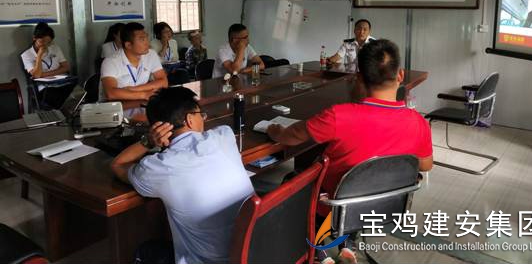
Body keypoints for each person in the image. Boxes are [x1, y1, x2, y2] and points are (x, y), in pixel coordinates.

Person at [267, 39, 433, 217]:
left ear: (359, 78)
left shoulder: (338, 116)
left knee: (291, 178)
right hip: (386, 207)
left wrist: (275, 131)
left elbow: (293, 136)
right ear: (400, 75)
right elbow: (425, 165)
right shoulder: (418, 122)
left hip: (333, 209)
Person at [110, 87, 254, 264]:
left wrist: (148, 141)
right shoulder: (224, 135)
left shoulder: (158, 167)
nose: (203, 119)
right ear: (190, 119)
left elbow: (118, 164)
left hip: (212, 260)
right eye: (201, 114)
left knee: (147, 249)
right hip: (256, 250)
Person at [100, 22, 168, 101]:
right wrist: (144, 94)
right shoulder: (110, 62)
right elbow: (111, 93)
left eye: (147, 38)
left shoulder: (151, 54)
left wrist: (134, 89)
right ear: (128, 45)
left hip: (140, 101)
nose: (147, 43)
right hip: (115, 105)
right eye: (142, 39)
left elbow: (163, 82)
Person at [21, 22, 74, 108]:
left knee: (77, 92)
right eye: (41, 41)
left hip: (62, 84)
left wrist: (44, 74)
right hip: (45, 89)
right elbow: (36, 75)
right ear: (34, 38)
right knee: (57, 97)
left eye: (48, 42)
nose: (45, 45)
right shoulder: (26, 55)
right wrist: (39, 55)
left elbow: (66, 67)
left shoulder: (55, 48)